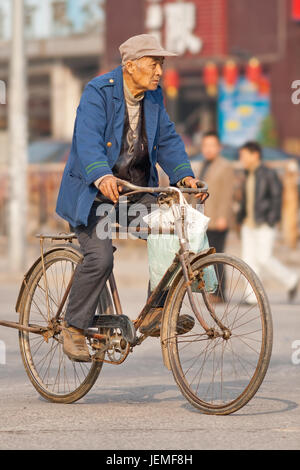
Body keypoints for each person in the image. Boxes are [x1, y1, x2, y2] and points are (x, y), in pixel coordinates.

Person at [55, 34, 204, 362]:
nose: (159, 72)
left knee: (174, 226)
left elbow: (167, 138)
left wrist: (184, 175)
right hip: (93, 197)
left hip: (133, 195)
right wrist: (102, 174)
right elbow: (87, 138)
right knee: (100, 258)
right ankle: (74, 328)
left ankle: (156, 311)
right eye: (153, 64)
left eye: (161, 65)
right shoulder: (99, 91)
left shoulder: (153, 98)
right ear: (129, 66)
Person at [237, 141, 298, 304]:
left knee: (264, 258)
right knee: (248, 260)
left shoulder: (268, 173)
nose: (241, 158)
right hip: (248, 224)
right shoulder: (247, 173)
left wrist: (272, 219)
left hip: (264, 223)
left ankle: (291, 279)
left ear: (255, 154)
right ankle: (251, 297)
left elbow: (277, 197)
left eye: (244, 155)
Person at [197, 131, 234, 301]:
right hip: (204, 219)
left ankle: (219, 293)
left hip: (218, 219)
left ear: (219, 147)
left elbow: (227, 193)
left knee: (217, 256)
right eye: (205, 146)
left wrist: (223, 217)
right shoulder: (203, 165)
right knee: (207, 257)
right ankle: (212, 290)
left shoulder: (225, 166)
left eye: (212, 145)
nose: (208, 149)